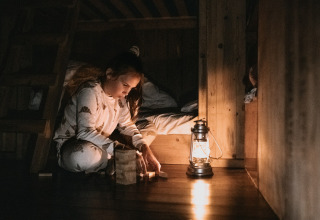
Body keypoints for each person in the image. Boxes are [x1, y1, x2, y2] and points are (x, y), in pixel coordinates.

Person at [53, 48, 161, 175]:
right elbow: (84, 132)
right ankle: (115, 160)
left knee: (149, 128)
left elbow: (127, 125)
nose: (127, 92)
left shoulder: (121, 99)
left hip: (101, 146)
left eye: (131, 88)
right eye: (125, 85)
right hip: (73, 145)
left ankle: (114, 161)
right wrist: (122, 149)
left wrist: (144, 147)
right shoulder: (90, 91)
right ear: (110, 74)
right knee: (80, 155)